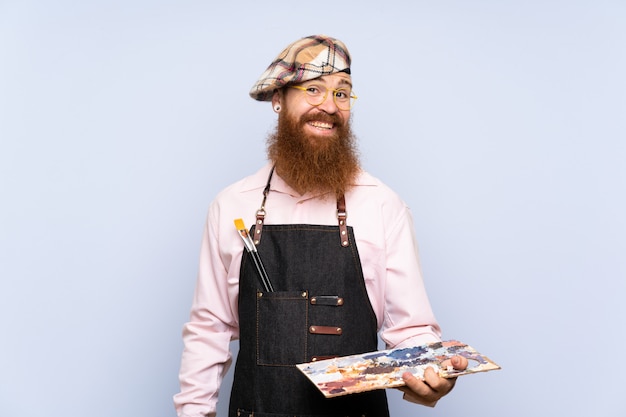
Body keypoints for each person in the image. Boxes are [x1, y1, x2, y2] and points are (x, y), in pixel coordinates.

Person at [174, 34, 468, 417]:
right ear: (278, 100)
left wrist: (430, 376)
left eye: (342, 93)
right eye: (313, 89)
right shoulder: (234, 204)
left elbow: (410, 331)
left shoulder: (382, 205)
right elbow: (209, 329)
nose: (329, 106)